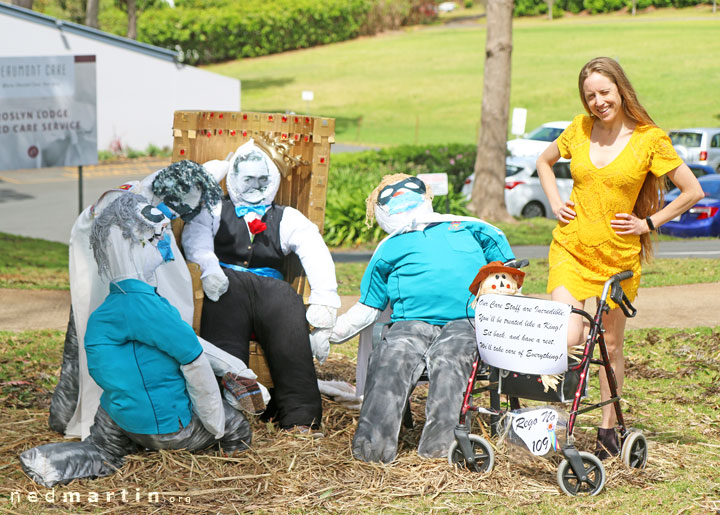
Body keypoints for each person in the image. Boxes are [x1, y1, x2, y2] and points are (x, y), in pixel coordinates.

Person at [20, 195, 253, 488]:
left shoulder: (104, 312)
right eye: (157, 240)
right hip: (168, 427)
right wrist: (216, 423)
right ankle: (229, 459)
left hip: (118, 419)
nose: (163, 247)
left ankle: (52, 460)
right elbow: (196, 364)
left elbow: (102, 368)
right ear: (138, 245)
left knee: (105, 441)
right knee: (237, 425)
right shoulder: (150, 307)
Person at [536, 56, 704, 459]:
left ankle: (607, 429)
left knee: (609, 347)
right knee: (570, 336)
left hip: (618, 260)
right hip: (571, 249)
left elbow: (692, 191)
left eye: (604, 92)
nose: (597, 101)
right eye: (590, 95)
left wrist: (649, 223)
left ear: (620, 90)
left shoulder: (649, 139)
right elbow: (543, 161)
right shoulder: (577, 129)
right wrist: (556, 201)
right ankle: (559, 418)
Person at [49, 159, 269, 440]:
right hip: (108, 284)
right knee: (84, 349)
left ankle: (76, 414)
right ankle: (72, 415)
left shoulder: (152, 221)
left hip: (126, 294)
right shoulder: (129, 209)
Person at [329, 174, 516, 463]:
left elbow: (502, 255)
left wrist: (503, 280)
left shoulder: (468, 226)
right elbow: (368, 307)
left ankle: (439, 450)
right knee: (391, 357)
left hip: (464, 319)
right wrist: (327, 333)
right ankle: (371, 452)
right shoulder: (389, 247)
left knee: (451, 360)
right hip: (410, 322)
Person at [182, 140, 341, 434]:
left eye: (262, 180)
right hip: (225, 284)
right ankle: (229, 411)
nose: (255, 185)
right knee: (224, 335)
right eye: (248, 179)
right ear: (234, 179)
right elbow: (197, 239)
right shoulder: (215, 209)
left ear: (272, 181)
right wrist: (209, 268)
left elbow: (313, 248)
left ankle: (300, 418)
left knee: (290, 326)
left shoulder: (286, 217)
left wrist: (324, 297)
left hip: (271, 287)